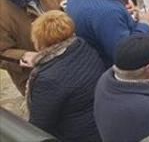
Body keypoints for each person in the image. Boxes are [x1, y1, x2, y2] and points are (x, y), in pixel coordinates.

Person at [26, 10, 104, 142]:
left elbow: (40, 123)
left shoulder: (48, 80)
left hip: (77, 135)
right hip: (100, 120)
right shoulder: (81, 45)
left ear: (40, 42)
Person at [0, 0, 64, 94]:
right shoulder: (2, 12)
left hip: (66, 53)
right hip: (37, 74)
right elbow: (3, 53)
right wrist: (24, 56)